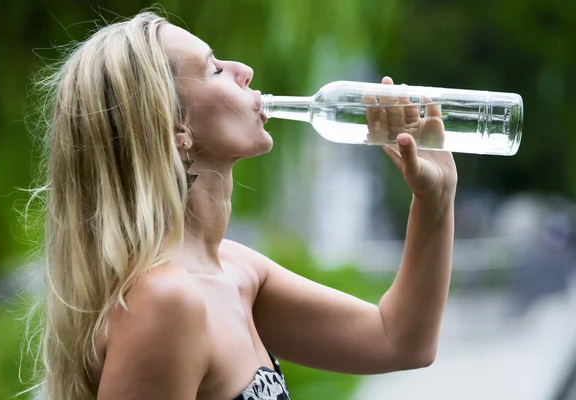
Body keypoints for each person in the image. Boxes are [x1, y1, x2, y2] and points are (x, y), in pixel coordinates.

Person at [29, 10, 457, 400]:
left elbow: (399, 340)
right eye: (214, 69)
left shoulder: (236, 271)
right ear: (176, 128)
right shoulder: (166, 303)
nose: (246, 71)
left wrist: (435, 200)